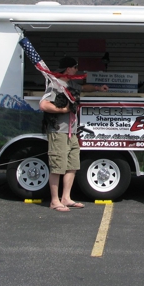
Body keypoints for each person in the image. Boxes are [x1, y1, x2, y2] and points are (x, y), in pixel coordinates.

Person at [39, 56, 109, 212]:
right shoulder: (55, 84)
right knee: (57, 166)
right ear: (68, 68)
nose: (77, 70)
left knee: (72, 165)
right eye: (75, 67)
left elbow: (84, 88)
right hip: (58, 131)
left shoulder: (71, 85)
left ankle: (66, 198)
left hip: (72, 132)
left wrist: (98, 88)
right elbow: (43, 104)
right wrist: (62, 110)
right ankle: (54, 201)